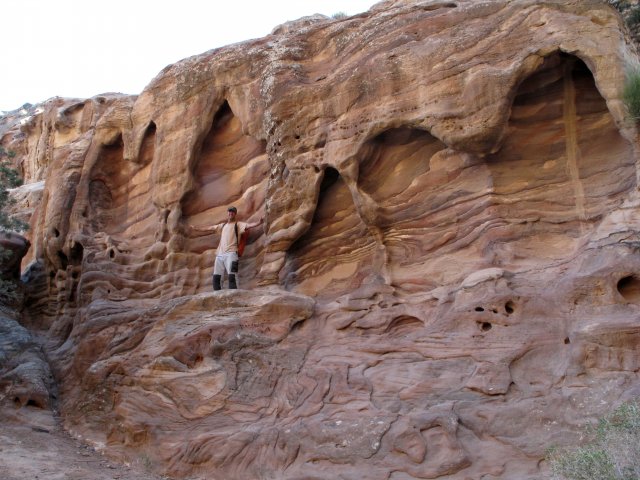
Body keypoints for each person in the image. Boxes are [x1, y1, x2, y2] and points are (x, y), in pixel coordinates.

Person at [191, 206, 263, 290]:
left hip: (232, 254)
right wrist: (196, 228)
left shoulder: (238, 225)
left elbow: (249, 225)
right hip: (220, 254)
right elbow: (209, 228)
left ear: (235, 214)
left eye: (232, 212)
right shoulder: (223, 226)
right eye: (229, 211)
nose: (231, 213)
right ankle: (217, 296)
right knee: (216, 277)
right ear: (227, 213)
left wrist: (259, 222)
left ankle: (234, 296)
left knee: (232, 275)